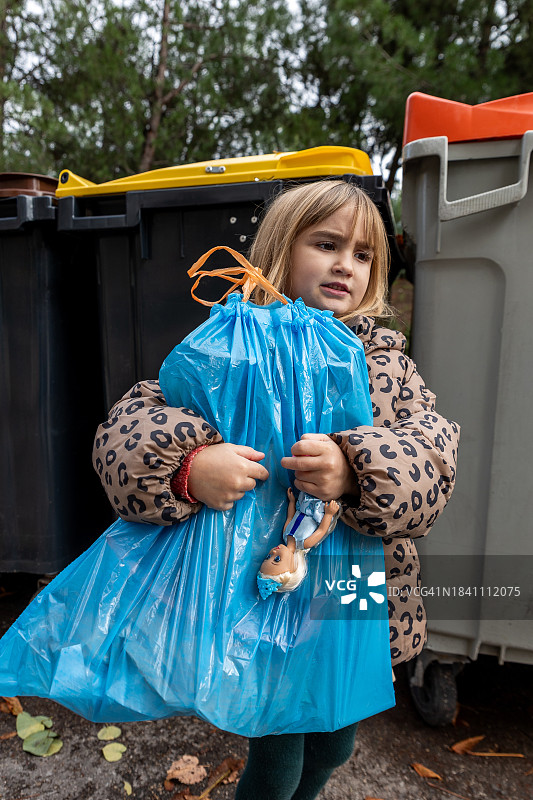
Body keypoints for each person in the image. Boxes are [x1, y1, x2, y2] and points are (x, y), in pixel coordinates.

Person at [93, 180, 460, 800]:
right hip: (261, 578)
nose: (347, 263)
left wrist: (356, 468)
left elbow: (433, 454)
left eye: (365, 254)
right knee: (280, 741)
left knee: (335, 739)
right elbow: (125, 435)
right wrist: (190, 465)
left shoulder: (388, 364)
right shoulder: (234, 347)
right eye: (327, 244)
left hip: (354, 583)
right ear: (281, 250)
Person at [257, 489, 340, 598]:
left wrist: (291, 502)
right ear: (293, 567)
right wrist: (329, 514)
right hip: (318, 510)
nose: (273, 552)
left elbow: (290, 517)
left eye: (268, 557)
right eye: (277, 559)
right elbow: (321, 530)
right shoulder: (305, 543)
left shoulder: (285, 535)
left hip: (303, 504)